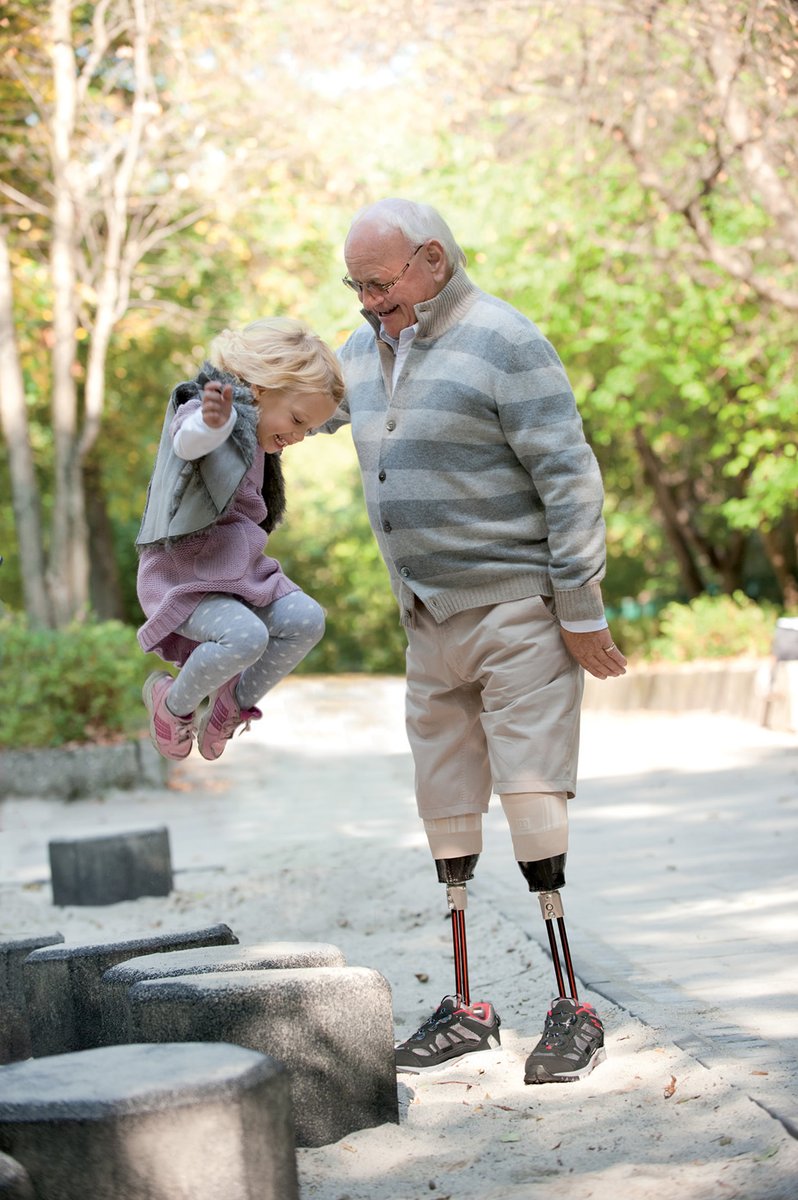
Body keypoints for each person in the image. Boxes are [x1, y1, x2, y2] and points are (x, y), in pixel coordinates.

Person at [322, 198, 627, 1085]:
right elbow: (300, 400)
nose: (367, 302)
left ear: (433, 260)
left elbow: (569, 476)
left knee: (531, 798)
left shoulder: (504, 339)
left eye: (378, 284)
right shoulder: (363, 349)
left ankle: (574, 1005)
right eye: (356, 286)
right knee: (445, 805)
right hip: (426, 619)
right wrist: (220, 397)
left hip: (518, 613)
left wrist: (580, 604)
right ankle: (467, 1009)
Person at [136, 317, 344, 762]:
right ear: (262, 387)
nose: (300, 437)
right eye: (298, 421)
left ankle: (231, 702)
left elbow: (319, 405)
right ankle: (172, 707)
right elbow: (189, 442)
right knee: (247, 636)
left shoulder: (264, 434)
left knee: (307, 619)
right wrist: (215, 422)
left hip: (240, 571)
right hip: (186, 572)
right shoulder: (209, 408)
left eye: (308, 430)